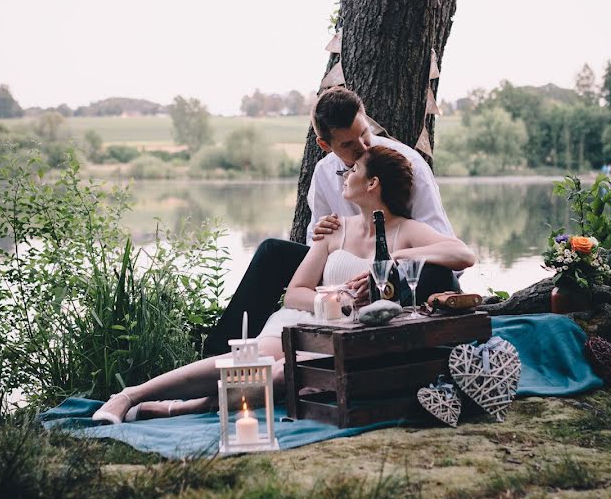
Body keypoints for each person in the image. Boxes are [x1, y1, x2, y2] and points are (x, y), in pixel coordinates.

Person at [93, 146, 475, 423]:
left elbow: (463, 254)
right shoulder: (334, 229)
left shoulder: (406, 231)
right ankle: (128, 396)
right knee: (248, 360)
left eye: (353, 170)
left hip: (351, 333)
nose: (345, 174)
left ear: (372, 183)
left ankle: (186, 407)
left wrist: (397, 259)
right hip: (307, 318)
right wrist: (336, 298)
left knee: (279, 374)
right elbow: (295, 292)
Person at [203, 86, 458, 354]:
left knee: (434, 272)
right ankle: (221, 354)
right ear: (325, 145)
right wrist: (320, 234)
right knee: (272, 252)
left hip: (398, 275)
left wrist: (393, 263)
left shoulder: (408, 164)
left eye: (363, 133)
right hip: (341, 274)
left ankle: (375, 325)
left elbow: (447, 254)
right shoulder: (323, 173)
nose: (362, 148)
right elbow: (314, 249)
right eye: (347, 144)